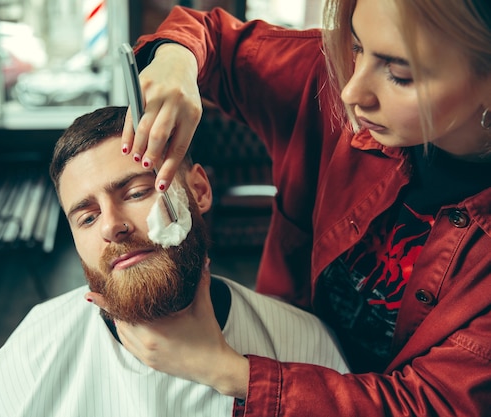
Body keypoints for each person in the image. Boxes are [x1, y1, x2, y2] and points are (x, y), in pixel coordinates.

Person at [94, 0, 491, 415]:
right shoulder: (328, 77)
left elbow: (432, 405)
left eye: (400, 74)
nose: (351, 90)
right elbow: (210, 36)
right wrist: (176, 57)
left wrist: (226, 371)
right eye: (356, 47)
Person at [0, 106, 349, 417]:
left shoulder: (303, 344)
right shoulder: (35, 348)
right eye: (87, 217)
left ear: (198, 190)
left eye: (138, 192)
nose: (112, 225)